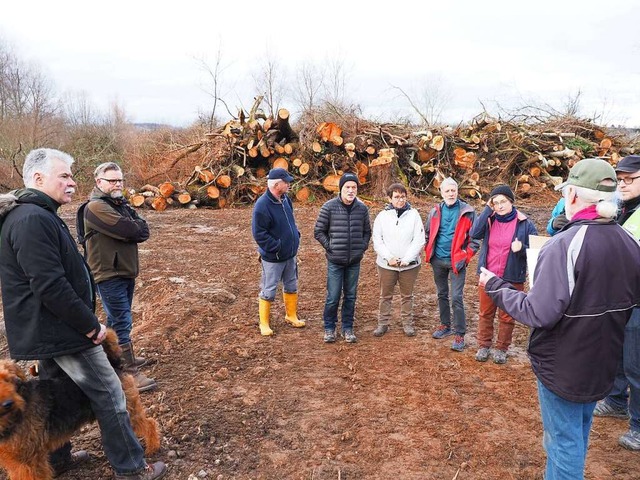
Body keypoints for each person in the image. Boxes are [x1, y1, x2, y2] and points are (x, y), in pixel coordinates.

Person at [0, 148, 166, 479]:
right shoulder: (31, 219)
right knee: (110, 392)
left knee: (51, 395)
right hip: (61, 330)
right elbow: (50, 286)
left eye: (71, 176)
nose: (73, 183)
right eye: (64, 176)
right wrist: (91, 327)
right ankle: (132, 468)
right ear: (37, 178)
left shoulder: (35, 214)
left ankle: (59, 460)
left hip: (47, 329)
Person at [478, 158, 640, 479]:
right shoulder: (628, 242)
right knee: (577, 433)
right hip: (603, 363)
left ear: (575, 196)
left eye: (566, 191)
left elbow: (538, 312)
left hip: (563, 366)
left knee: (562, 443)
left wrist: (494, 286)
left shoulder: (564, 244)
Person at [84, 162, 156, 392]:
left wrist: (134, 227)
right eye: (112, 180)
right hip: (108, 273)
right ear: (99, 182)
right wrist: (133, 228)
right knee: (122, 320)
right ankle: (128, 373)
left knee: (116, 321)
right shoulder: (95, 207)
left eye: (120, 180)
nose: (118, 184)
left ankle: (114, 360)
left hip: (123, 269)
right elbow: (132, 230)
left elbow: (143, 230)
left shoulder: (118, 204)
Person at [592, 154, 640, 451]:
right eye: (619, 180)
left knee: (637, 364)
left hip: (637, 299)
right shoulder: (622, 208)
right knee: (618, 353)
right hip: (622, 298)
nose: (623, 184)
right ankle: (615, 400)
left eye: (630, 179)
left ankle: (638, 426)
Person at [470, 184, 538, 364]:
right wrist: (486, 209)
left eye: (503, 202)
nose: (499, 206)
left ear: (511, 202)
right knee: (485, 312)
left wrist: (522, 248)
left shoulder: (525, 223)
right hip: (488, 274)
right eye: (496, 202)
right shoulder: (489, 219)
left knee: (507, 316)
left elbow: (537, 251)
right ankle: (484, 345)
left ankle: (501, 348)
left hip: (511, 276)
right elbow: (474, 233)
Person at [314, 172, 371, 343]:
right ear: (341, 189)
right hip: (335, 261)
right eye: (347, 187)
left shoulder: (362, 209)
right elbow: (318, 231)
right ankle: (329, 327)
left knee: (351, 295)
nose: (351, 190)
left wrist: (361, 247)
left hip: (354, 261)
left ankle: (347, 328)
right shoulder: (329, 207)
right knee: (333, 296)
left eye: (354, 187)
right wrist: (330, 246)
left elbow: (367, 232)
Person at [425, 177, 479, 351]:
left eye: (453, 190)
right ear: (441, 193)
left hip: (457, 262)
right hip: (438, 260)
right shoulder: (434, 211)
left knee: (456, 297)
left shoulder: (468, 211)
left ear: (457, 192)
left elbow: (475, 239)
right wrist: (429, 252)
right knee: (441, 294)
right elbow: (427, 233)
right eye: (447, 191)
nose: (450, 193)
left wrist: (466, 255)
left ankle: (460, 333)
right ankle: (445, 325)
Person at [251, 167, 305, 336]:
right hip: (273, 258)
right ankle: (264, 324)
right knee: (269, 289)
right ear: (277, 184)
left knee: (291, 285)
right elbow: (259, 234)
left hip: (290, 254)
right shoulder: (262, 206)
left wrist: (295, 236)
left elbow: (290, 222)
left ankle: (291, 315)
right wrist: (277, 247)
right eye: (286, 182)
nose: (289, 184)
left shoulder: (286, 200)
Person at [372, 183, 425, 337]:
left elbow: (419, 239)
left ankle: (407, 324)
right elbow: (377, 239)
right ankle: (383, 323)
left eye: (403, 196)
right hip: (387, 265)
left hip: (409, 266)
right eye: (396, 197)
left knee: (407, 295)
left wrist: (408, 259)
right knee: (385, 295)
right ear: (390, 198)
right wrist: (388, 257)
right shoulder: (382, 216)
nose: (400, 200)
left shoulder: (414, 215)